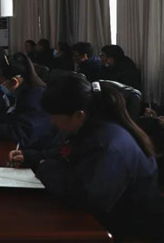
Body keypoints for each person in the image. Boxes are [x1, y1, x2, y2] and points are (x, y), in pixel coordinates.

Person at [10, 74, 163, 241]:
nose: (52, 121)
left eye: (54, 116)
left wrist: (43, 167)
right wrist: (32, 157)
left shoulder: (107, 144)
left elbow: (86, 196)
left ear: (78, 115)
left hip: (127, 231)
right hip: (106, 218)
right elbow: (66, 156)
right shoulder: (88, 128)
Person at [0, 53, 56, 150]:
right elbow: (14, 118)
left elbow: (23, 132)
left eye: (0, 82)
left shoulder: (36, 97)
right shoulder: (26, 92)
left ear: (14, 82)